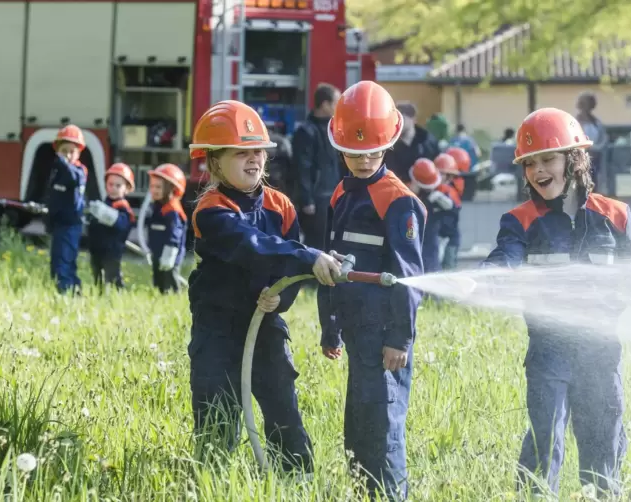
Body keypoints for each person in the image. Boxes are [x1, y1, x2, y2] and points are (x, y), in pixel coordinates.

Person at [482, 108, 631, 498]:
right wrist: (491, 274)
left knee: (602, 446)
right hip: (548, 351)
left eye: (548, 159)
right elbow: (506, 255)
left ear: (575, 159)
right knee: (544, 442)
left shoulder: (615, 215)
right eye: (529, 163)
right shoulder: (520, 220)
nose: (538, 170)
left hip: (601, 350)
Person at [187, 100, 342, 475]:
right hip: (218, 329)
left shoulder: (281, 206)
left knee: (283, 407)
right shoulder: (211, 209)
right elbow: (251, 245)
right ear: (214, 161)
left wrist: (281, 299)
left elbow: (287, 271)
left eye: (258, 151)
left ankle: (296, 480)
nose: (253, 159)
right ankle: (214, 481)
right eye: (241, 152)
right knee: (217, 414)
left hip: (265, 327)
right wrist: (308, 255)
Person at [319, 80, 426, 501]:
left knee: (383, 434)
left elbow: (408, 278)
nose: (364, 160)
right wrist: (330, 327)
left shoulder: (398, 201)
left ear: (389, 144)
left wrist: (399, 338)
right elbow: (331, 263)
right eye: (355, 152)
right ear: (340, 146)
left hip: (385, 338)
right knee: (358, 430)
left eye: (373, 151)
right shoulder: (341, 193)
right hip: (355, 331)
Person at [292, 83, 342, 251]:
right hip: (316, 200)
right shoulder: (306, 132)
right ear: (325, 104)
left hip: (334, 196)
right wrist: (307, 200)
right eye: (336, 102)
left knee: (333, 244)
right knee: (317, 245)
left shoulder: (334, 129)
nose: (339, 106)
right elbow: (302, 168)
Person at [47, 125, 88, 295]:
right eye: (64, 151)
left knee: (66, 262)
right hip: (58, 224)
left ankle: (69, 294)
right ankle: (65, 291)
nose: (68, 156)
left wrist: (63, 163)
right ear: (57, 151)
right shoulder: (57, 171)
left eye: (72, 151)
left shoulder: (79, 171)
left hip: (71, 226)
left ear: (79, 154)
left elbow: (72, 178)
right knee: (57, 263)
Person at [87, 163, 136, 290]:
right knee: (98, 277)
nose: (113, 188)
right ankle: (100, 295)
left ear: (127, 188)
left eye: (118, 185)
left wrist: (106, 215)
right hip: (97, 249)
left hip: (112, 251)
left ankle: (118, 296)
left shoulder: (124, 208)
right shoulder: (103, 203)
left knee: (113, 277)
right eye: (110, 184)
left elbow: (122, 226)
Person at [146, 163, 187, 293]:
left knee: (170, 275)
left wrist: (170, 253)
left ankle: (175, 294)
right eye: (152, 186)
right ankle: (160, 294)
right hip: (157, 251)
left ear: (170, 188)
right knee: (158, 276)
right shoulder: (157, 206)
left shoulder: (172, 210)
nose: (154, 190)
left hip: (170, 253)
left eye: (158, 187)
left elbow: (175, 232)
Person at [408, 158, 454, 273]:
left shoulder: (440, 194)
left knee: (431, 266)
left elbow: (451, 206)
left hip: (430, 238)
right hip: (414, 236)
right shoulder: (408, 192)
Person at [383, 101, 440, 183]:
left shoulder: (428, 143)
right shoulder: (389, 146)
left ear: (413, 119)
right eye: (394, 119)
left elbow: (438, 169)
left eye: (401, 119)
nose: (397, 123)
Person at [433, 153, 463, 269]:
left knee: (449, 268)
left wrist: (437, 197)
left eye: (442, 174)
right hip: (438, 236)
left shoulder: (449, 191)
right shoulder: (437, 188)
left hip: (450, 237)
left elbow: (450, 205)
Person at [575, 91, 608, 191]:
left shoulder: (596, 122)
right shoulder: (575, 122)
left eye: (589, 104)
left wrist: (596, 147)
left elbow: (603, 138)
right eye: (584, 103)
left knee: (594, 183)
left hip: (595, 158)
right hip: (579, 158)